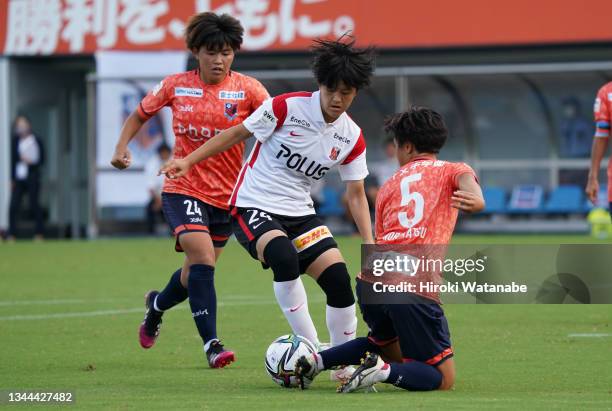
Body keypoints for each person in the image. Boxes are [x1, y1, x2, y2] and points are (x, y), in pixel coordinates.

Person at [160, 37, 376, 379]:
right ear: (320, 84)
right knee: (283, 257)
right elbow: (234, 134)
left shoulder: (351, 136)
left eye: (346, 92)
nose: (337, 99)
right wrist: (188, 160)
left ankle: (342, 364)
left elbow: (356, 194)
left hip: (300, 213)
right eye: (331, 89)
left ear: (356, 93)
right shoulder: (285, 108)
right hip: (252, 205)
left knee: (338, 279)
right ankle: (312, 348)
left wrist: (371, 244)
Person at [110, 12, 269, 368]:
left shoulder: (249, 89)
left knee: (190, 273)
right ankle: (212, 344)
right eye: (211, 52)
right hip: (183, 187)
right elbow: (139, 115)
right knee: (203, 261)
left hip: (228, 197)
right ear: (196, 51)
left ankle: (156, 307)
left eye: (226, 52)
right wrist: (122, 147)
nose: (219, 60)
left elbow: (276, 124)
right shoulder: (175, 85)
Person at [294, 106, 485, 392]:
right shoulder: (452, 169)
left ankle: (316, 361)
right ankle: (380, 372)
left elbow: (381, 238)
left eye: (395, 146)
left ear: (406, 147)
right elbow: (468, 185)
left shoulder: (388, 187)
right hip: (413, 285)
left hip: (372, 280)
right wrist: (477, 200)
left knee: (382, 344)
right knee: (442, 379)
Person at [8, 115, 45, 241]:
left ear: (29, 125)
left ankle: (39, 233)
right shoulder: (15, 141)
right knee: (13, 205)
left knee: (34, 204)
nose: (21, 127)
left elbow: (42, 160)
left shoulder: (36, 140)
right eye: (19, 124)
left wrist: (31, 161)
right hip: (19, 178)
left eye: (23, 124)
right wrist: (11, 179)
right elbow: (12, 161)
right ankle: (12, 234)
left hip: (32, 176)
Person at [586, 81, 612, 212]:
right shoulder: (606, 93)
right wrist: (592, 176)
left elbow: (602, 135)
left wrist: (593, 176)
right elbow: (601, 135)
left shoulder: (607, 92)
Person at [144, 143, 172, 234]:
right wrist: (158, 200)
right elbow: (150, 185)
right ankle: (150, 234)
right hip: (157, 197)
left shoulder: (174, 162)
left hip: (171, 196)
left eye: (166, 153)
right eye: (162, 153)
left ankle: (174, 233)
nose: (164, 155)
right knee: (149, 209)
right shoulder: (152, 164)